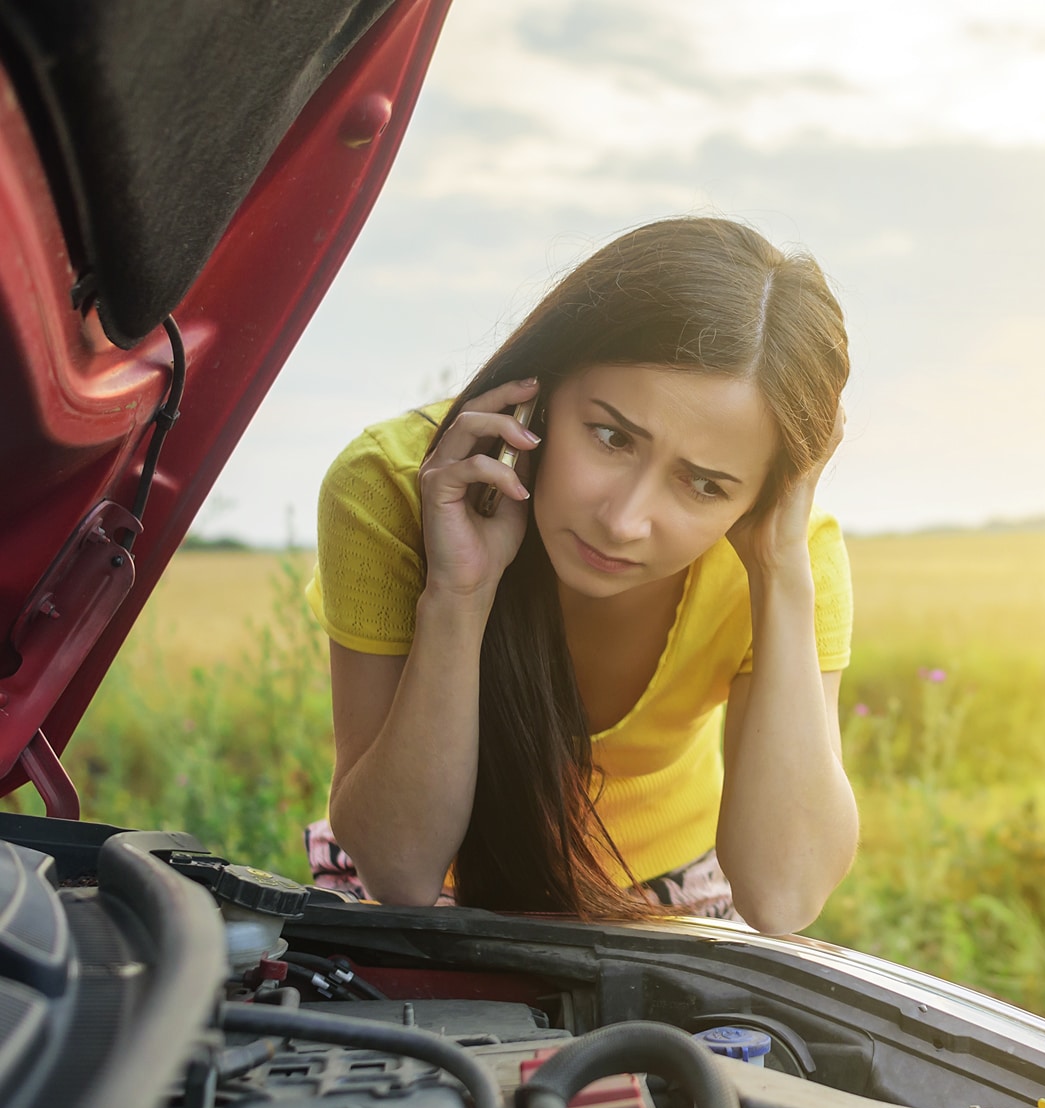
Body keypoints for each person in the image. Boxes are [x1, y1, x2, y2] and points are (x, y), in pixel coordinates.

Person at [305, 216, 858, 935]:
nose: (625, 519)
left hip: (668, 894)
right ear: (544, 388)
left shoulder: (780, 556)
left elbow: (784, 898)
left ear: (762, 494)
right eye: (611, 436)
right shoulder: (393, 485)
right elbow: (401, 871)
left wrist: (782, 570)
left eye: (705, 485)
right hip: (429, 902)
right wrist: (458, 594)